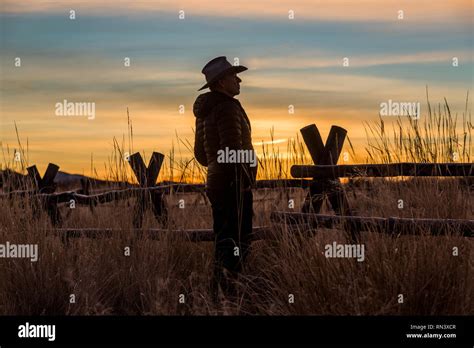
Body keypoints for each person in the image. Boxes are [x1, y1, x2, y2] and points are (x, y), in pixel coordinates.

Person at [193, 56, 257, 301]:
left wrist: (216, 167)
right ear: (221, 82)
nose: (238, 79)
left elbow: (201, 155)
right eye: (233, 75)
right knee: (239, 240)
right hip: (234, 184)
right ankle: (230, 296)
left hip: (216, 182)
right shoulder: (228, 107)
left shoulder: (205, 111)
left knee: (224, 239)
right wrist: (245, 176)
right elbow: (233, 149)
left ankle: (219, 294)